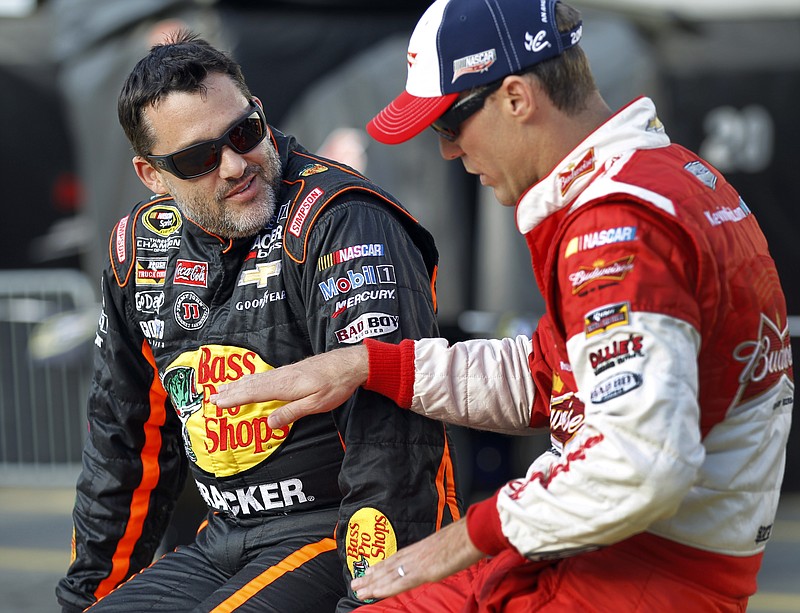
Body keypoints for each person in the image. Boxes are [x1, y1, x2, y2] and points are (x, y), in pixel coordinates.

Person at [209, 0, 795, 610]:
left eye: (448, 124)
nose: (446, 152)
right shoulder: (659, 179)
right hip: (619, 556)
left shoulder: (617, 226)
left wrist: (465, 538)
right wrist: (367, 365)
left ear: (516, 98)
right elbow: (550, 379)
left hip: (631, 574)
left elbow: (639, 461)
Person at [55, 31, 461, 613]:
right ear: (152, 176)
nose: (234, 165)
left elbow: (391, 444)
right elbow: (122, 441)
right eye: (198, 158)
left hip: (335, 532)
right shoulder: (137, 250)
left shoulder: (341, 221)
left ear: (261, 115)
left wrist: (374, 598)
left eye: (244, 133)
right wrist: (81, 597)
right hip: (222, 538)